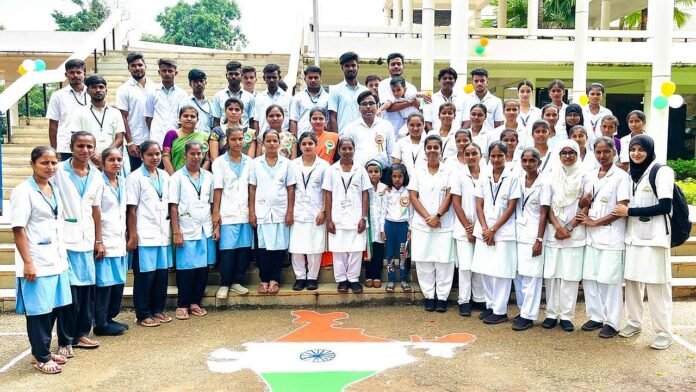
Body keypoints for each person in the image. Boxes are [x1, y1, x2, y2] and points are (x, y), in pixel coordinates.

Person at [12, 146, 73, 374]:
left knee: (53, 308)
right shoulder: (23, 191)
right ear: (32, 164)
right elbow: (18, 229)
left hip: (56, 259)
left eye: (54, 163)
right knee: (38, 312)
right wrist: (28, 262)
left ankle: (43, 349)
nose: (50, 167)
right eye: (44, 163)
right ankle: (41, 357)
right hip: (36, 260)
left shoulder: (53, 188)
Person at [613, 134, 675, 350]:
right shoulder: (630, 174)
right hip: (633, 237)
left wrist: (630, 211)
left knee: (657, 287)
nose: (636, 154)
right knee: (632, 283)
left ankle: (663, 332)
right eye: (633, 150)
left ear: (649, 150)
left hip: (655, 238)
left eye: (641, 150)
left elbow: (665, 206)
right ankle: (634, 322)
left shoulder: (661, 171)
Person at [53, 132, 104, 349]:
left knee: (86, 292)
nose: (85, 150)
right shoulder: (58, 172)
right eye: (80, 146)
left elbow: (96, 209)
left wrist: (99, 240)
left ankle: (82, 333)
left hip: (87, 239)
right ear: (72, 147)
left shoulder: (96, 175)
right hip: (65, 239)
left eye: (89, 146)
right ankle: (66, 340)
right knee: (68, 294)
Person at [576, 137, 629, 339]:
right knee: (590, 278)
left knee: (610, 281)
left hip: (611, 235)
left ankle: (612, 322)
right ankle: (596, 316)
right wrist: (584, 203)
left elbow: (621, 208)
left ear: (614, 153)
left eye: (606, 151)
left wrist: (595, 222)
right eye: (598, 152)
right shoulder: (591, 176)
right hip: (592, 236)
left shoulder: (621, 176)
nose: (602, 156)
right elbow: (584, 201)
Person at [540, 140, 589, 332]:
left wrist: (569, 227)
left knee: (570, 276)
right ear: (558, 155)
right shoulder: (551, 175)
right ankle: (551, 314)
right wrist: (558, 227)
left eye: (571, 153)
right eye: (564, 153)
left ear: (577, 154)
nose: (567, 156)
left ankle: (566, 316)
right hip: (554, 232)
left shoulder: (585, 176)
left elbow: (586, 204)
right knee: (552, 275)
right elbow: (547, 206)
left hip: (574, 234)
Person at [472, 141, 520, 324]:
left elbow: (511, 207)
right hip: (485, 230)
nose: (496, 159)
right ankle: (490, 306)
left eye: (500, 155)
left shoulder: (513, 176)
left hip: (503, 231)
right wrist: (485, 228)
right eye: (493, 155)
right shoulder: (484, 176)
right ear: (488, 157)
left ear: (506, 156)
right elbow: (479, 204)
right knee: (485, 270)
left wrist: (493, 229)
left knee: (501, 272)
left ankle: (500, 311)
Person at [126, 141, 173, 327]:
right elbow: (132, 209)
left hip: (162, 233)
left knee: (161, 275)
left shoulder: (164, 176)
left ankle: (158, 309)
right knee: (145, 276)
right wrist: (133, 235)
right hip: (144, 233)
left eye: (158, 154)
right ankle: (143, 313)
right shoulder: (135, 178)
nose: (155, 158)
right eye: (150, 154)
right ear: (141, 156)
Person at [408, 135, 456, 312]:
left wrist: (438, 215)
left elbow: (451, 195)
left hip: (444, 222)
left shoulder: (449, 171)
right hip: (422, 223)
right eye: (430, 147)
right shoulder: (417, 171)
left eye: (436, 147)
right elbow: (413, 196)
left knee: (444, 261)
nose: (433, 151)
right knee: (424, 261)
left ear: (441, 150)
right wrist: (429, 217)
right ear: (425, 150)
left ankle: (442, 297)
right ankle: (429, 296)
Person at [169, 141, 215, 320]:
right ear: (185, 155)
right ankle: (183, 304)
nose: (196, 157)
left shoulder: (208, 176)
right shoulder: (177, 177)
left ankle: (196, 302)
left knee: (202, 268)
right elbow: (173, 206)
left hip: (205, 227)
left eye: (199, 154)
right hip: (185, 227)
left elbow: (211, 203)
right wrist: (176, 231)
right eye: (193, 154)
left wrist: (215, 225)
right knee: (186, 268)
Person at [249, 130, 296, 294]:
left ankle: (275, 279)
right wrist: (252, 212)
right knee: (262, 248)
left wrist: (290, 211)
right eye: (268, 141)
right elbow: (252, 189)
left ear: (279, 143)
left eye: (274, 140)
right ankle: (264, 279)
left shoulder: (287, 164)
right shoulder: (255, 163)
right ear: (263, 143)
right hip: (261, 210)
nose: (271, 143)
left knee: (278, 247)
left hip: (280, 211)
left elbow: (291, 189)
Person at [323, 137, 371, 293]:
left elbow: (365, 194)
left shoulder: (361, 170)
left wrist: (363, 217)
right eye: (344, 148)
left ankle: (353, 278)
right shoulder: (331, 170)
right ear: (338, 151)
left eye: (350, 148)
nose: (347, 151)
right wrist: (329, 219)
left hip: (356, 215)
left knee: (356, 249)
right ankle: (342, 279)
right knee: (338, 249)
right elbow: (328, 195)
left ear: (354, 150)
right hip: (337, 216)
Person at [212, 126, 253, 300]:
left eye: (240, 139)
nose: (237, 142)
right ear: (227, 141)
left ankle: (237, 281)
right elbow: (218, 190)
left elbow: (252, 189)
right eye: (233, 139)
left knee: (243, 249)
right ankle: (225, 283)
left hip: (244, 212)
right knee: (227, 250)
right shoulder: (219, 162)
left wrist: (252, 211)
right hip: (227, 213)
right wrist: (215, 214)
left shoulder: (250, 162)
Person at [513, 148, 549, 331]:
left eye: (531, 161)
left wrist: (539, 239)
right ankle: (522, 310)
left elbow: (544, 213)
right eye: (524, 160)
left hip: (534, 233)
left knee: (532, 277)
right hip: (518, 232)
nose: (527, 164)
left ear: (538, 162)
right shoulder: (518, 180)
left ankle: (528, 315)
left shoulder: (544, 183)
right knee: (519, 275)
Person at [93, 148, 128, 336]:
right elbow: (95, 212)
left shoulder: (122, 182)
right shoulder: (98, 182)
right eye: (111, 159)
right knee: (104, 283)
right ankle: (100, 323)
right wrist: (98, 240)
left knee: (117, 282)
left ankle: (109, 317)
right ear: (103, 162)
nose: (116, 163)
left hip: (119, 239)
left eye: (119, 159)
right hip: (105, 238)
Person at [289, 132, 330, 291]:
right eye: (304, 144)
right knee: (296, 247)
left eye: (310, 143)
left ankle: (312, 277)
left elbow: (327, 191)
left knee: (315, 247)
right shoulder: (293, 165)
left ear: (315, 145)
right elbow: (290, 189)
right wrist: (290, 212)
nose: (307, 146)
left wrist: (324, 211)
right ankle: (300, 277)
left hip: (316, 211)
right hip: (298, 211)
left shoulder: (324, 165)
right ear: (300, 146)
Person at [449, 142, 486, 316]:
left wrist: (479, 228)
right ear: (463, 156)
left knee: (479, 265)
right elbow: (456, 202)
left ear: (481, 155)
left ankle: (479, 298)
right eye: (467, 154)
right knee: (465, 266)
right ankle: (464, 300)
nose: (471, 157)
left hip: (483, 226)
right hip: (464, 226)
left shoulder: (487, 174)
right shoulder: (458, 175)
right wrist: (467, 228)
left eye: (474, 153)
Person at [71, 75, 125, 166]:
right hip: (88, 159)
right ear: (87, 91)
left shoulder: (115, 112)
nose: (98, 90)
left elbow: (119, 139)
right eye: (94, 87)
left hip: (111, 160)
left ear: (106, 91)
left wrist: (103, 156)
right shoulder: (79, 112)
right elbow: (76, 138)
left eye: (101, 87)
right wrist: (92, 155)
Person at [116, 52, 157, 172]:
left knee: (155, 172)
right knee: (137, 173)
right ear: (128, 68)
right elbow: (123, 117)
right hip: (136, 141)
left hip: (154, 138)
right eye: (133, 65)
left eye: (140, 65)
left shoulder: (156, 87)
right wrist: (130, 142)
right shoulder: (123, 90)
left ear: (145, 66)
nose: (137, 68)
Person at [46, 59, 90, 161]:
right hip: (65, 146)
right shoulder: (58, 95)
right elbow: (53, 125)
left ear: (84, 73)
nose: (75, 75)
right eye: (72, 72)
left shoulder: (92, 93)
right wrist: (54, 149)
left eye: (79, 72)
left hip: (88, 146)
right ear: (66, 74)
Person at [342, 90, 394, 167]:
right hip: (358, 172)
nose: (368, 107)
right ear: (359, 108)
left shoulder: (386, 125)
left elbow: (391, 151)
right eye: (364, 104)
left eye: (371, 103)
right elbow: (346, 153)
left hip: (383, 172)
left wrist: (390, 171)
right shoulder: (350, 128)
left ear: (377, 106)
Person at [381, 163, 412, 293]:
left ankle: (404, 279)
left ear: (404, 177)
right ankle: (391, 279)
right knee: (390, 254)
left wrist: (410, 229)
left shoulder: (409, 191)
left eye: (400, 176)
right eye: (394, 176)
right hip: (389, 225)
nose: (397, 179)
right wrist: (382, 230)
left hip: (403, 225)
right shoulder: (387, 192)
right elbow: (383, 211)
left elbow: (411, 212)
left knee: (403, 253)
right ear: (390, 177)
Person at [145, 58, 189, 145]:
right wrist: (155, 132)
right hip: (157, 137)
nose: (167, 74)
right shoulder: (152, 92)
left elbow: (183, 118)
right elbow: (148, 118)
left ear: (175, 73)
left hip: (177, 137)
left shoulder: (182, 94)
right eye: (164, 71)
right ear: (159, 72)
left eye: (170, 71)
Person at [328, 52, 368, 134]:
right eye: (347, 66)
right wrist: (336, 139)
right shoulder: (335, 90)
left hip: (363, 136)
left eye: (353, 65)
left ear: (358, 67)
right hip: (343, 137)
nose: (350, 68)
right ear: (342, 68)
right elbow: (332, 117)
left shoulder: (365, 91)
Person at [162, 106, 211, 174]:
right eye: (185, 116)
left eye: (192, 116)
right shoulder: (171, 134)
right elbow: (165, 157)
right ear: (179, 118)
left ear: (198, 119)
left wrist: (200, 176)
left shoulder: (205, 136)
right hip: (174, 175)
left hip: (198, 177)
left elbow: (207, 159)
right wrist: (174, 178)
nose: (189, 119)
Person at [209, 97, 257, 162]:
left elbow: (250, 160)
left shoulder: (250, 133)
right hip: (221, 169)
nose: (233, 112)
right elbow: (214, 159)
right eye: (230, 109)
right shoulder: (216, 132)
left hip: (244, 170)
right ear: (225, 111)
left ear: (242, 112)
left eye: (237, 110)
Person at [212, 61, 255, 129]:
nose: (233, 76)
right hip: (224, 135)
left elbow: (252, 121)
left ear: (241, 75)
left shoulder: (250, 97)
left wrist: (252, 137)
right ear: (226, 76)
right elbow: (216, 121)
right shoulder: (218, 96)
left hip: (244, 136)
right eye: (231, 74)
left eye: (236, 74)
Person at [365, 160, 387, 289]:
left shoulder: (384, 188)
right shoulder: (365, 188)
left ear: (381, 174)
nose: (373, 174)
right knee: (368, 253)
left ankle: (377, 276)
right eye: (370, 172)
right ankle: (369, 276)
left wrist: (383, 227)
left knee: (378, 252)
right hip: (368, 226)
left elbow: (385, 209)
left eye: (376, 171)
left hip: (380, 225)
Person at [290, 66, 329, 135]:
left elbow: (330, 120)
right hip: (303, 140)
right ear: (305, 79)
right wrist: (295, 141)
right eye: (310, 78)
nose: (313, 80)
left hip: (323, 139)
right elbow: (293, 120)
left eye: (316, 77)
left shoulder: (328, 97)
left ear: (321, 79)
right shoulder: (298, 97)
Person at [425, 67, 466, 132]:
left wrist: (459, 136)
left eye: (450, 78)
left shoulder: (463, 99)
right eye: (444, 78)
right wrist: (434, 137)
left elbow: (467, 121)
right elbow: (427, 122)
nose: (447, 80)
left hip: (457, 139)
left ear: (455, 81)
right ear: (439, 81)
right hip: (436, 138)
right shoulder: (431, 99)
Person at [254, 64, 291, 133]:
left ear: (279, 78)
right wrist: (257, 138)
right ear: (264, 78)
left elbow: (291, 121)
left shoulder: (288, 98)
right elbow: (256, 121)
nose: (271, 80)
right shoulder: (258, 98)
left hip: (283, 138)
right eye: (268, 77)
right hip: (264, 138)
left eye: (274, 77)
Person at [392, 113, 426, 178]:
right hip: (405, 183)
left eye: (419, 125)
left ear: (424, 125)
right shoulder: (400, 143)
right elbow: (396, 166)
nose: (415, 128)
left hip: (424, 181)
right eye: (412, 125)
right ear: (407, 125)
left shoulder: (429, 143)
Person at [184, 69, 214, 133]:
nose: (199, 84)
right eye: (195, 81)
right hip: (190, 139)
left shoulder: (211, 104)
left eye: (201, 81)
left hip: (207, 140)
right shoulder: (185, 102)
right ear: (190, 84)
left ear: (205, 82)